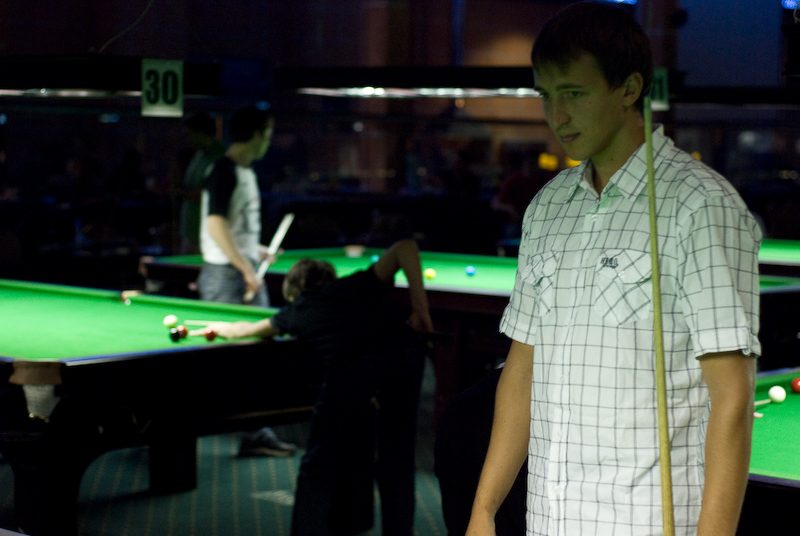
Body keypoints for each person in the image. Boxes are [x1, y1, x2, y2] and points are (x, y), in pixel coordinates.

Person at [466, 3, 761, 536]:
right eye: (546, 95)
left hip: (644, 522)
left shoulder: (698, 205)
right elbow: (522, 370)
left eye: (573, 93)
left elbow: (732, 397)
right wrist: (483, 510)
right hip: (549, 518)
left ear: (629, 89)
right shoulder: (548, 207)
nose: (557, 114)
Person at [206, 238, 434, 536]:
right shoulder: (355, 285)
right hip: (407, 355)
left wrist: (221, 329)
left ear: (294, 291)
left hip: (355, 369)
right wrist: (421, 311)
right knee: (397, 458)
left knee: (318, 464)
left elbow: (245, 330)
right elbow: (406, 247)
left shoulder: (297, 309)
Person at [199, 105, 295, 457]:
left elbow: (234, 229)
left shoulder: (244, 172)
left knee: (259, 353)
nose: (269, 142)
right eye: (267, 134)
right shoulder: (223, 170)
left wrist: (256, 252)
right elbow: (214, 225)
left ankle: (255, 430)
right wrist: (245, 267)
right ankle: (247, 430)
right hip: (226, 277)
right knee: (229, 359)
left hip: (238, 271)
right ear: (255, 135)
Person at [178, 112, 226, 255]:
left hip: (208, 237)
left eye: (190, 134)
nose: (188, 139)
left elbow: (215, 195)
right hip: (190, 233)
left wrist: (183, 193)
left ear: (202, 132)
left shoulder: (221, 157)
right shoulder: (199, 154)